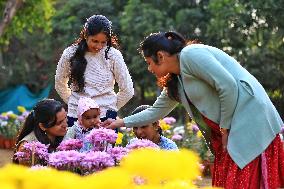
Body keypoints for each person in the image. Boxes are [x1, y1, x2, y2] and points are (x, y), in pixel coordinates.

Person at [103, 31, 284, 188]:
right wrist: (120, 122)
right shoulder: (176, 80)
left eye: (149, 62)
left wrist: (225, 128)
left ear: (161, 56)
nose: (149, 68)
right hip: (229, 132)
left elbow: (228, 85)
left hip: (248, 121)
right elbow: (155, 111)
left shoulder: (191, 54)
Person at [55, 14, 134, 127]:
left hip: (105, 119)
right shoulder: (70, 54)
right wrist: (76, 105)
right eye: (95, 41)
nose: (99, 46)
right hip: (76, 117)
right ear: (86, 35)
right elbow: (60, 84)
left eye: (103, 42)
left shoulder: (113, 55)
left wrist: (110, 107)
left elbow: (128, 90)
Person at [13, 99, 67, 165]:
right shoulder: (27, 147)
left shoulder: (69, 134)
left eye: (65, 118)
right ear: (42, 126)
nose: (65, 125)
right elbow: (26, 174)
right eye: (59, 123)